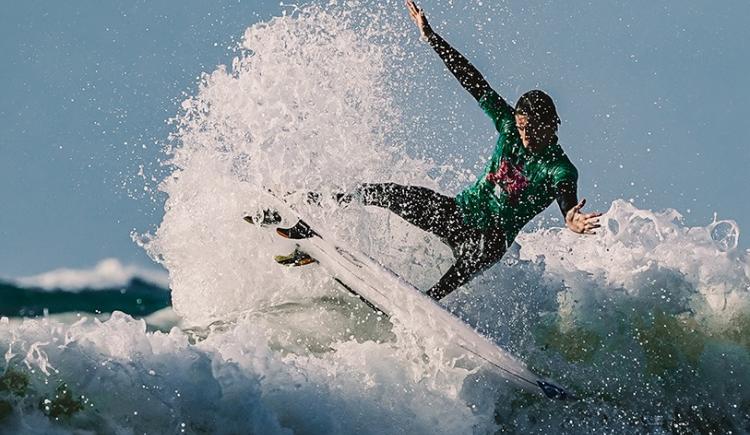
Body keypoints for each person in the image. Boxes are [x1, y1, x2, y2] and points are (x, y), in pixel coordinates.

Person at [280, 1, 602, 301]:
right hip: (459, 213)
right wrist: (431, 37)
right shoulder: (507, 126)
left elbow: (565, 196)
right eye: (521, 127)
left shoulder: (558, 168)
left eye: (532, 129)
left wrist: (570, 216)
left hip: (487, 242)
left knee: (435, 294)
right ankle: (312, 213)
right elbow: (473, 80)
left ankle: (422, 307)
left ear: (552, 125)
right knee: (385, 193)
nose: (525, 134)